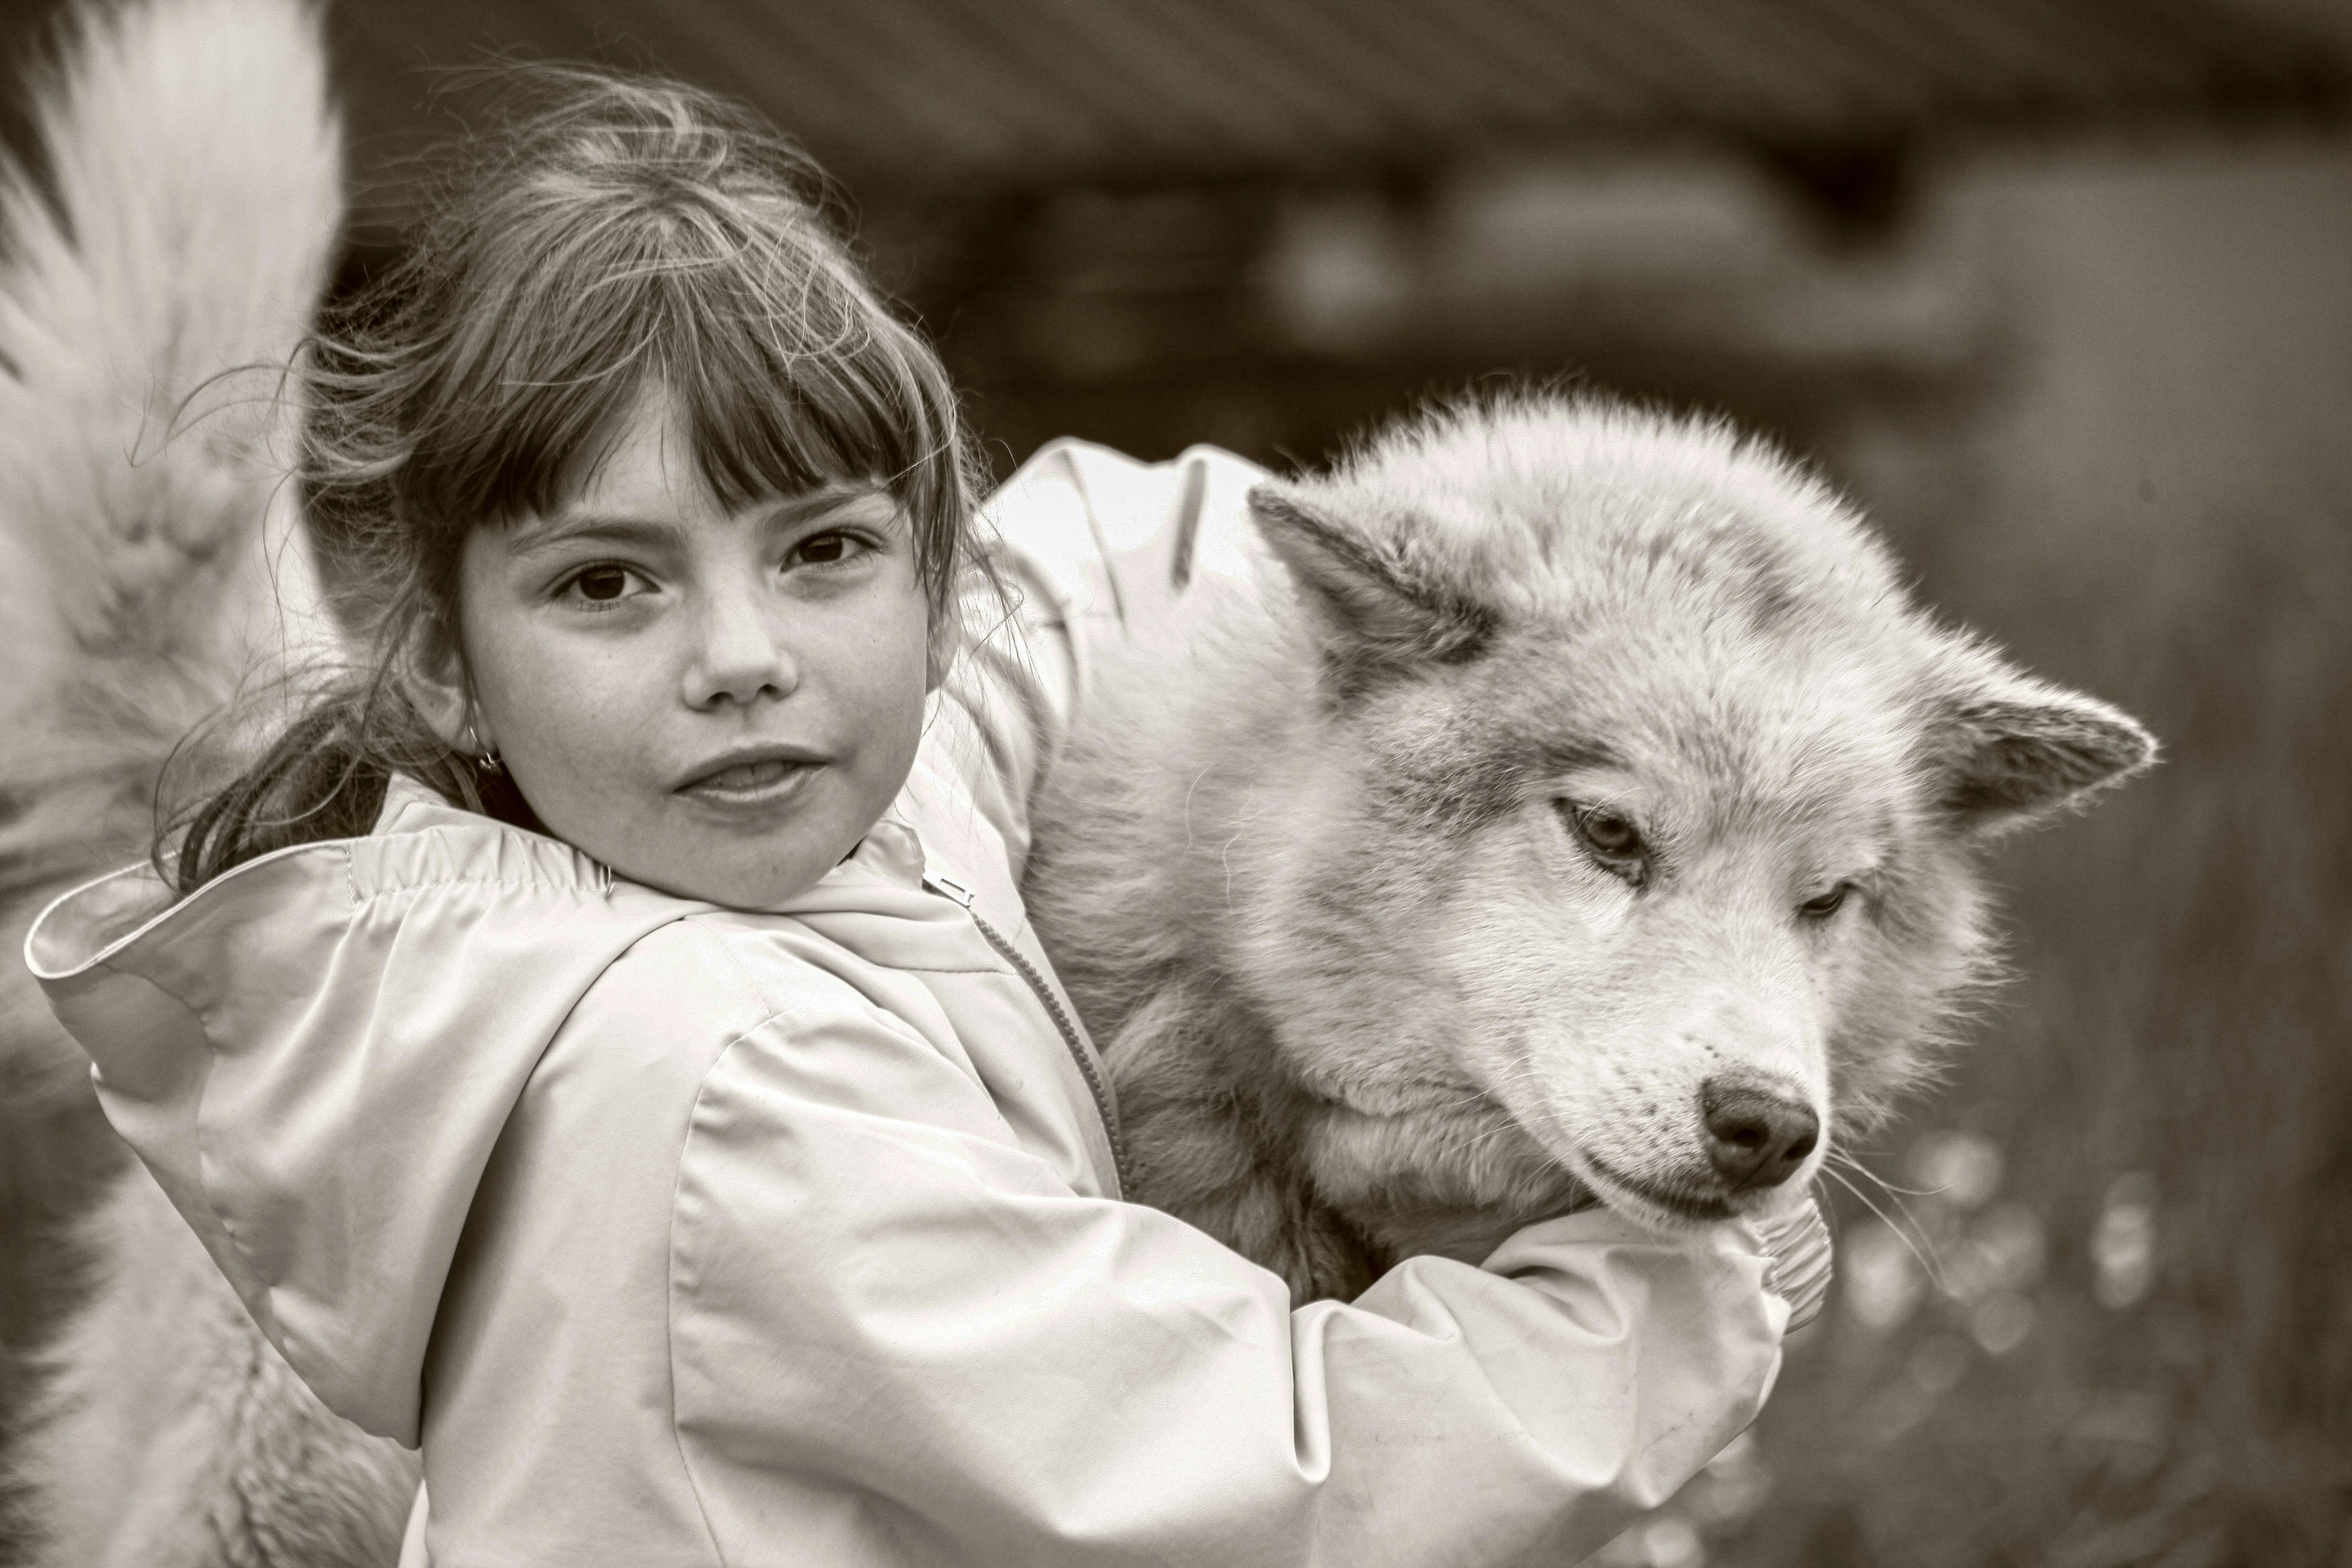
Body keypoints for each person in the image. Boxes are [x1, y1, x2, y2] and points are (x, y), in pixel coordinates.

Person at [26, 71, 1824, 1567]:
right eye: (606, 584)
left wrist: (1454, 631)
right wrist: (1673, 1309)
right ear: (440, 668)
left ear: (935, 582)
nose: (743, 657)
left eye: (818, 549)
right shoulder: (705, 1084)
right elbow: (1261, 1465)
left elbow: (1121, 553)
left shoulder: (850, 800)